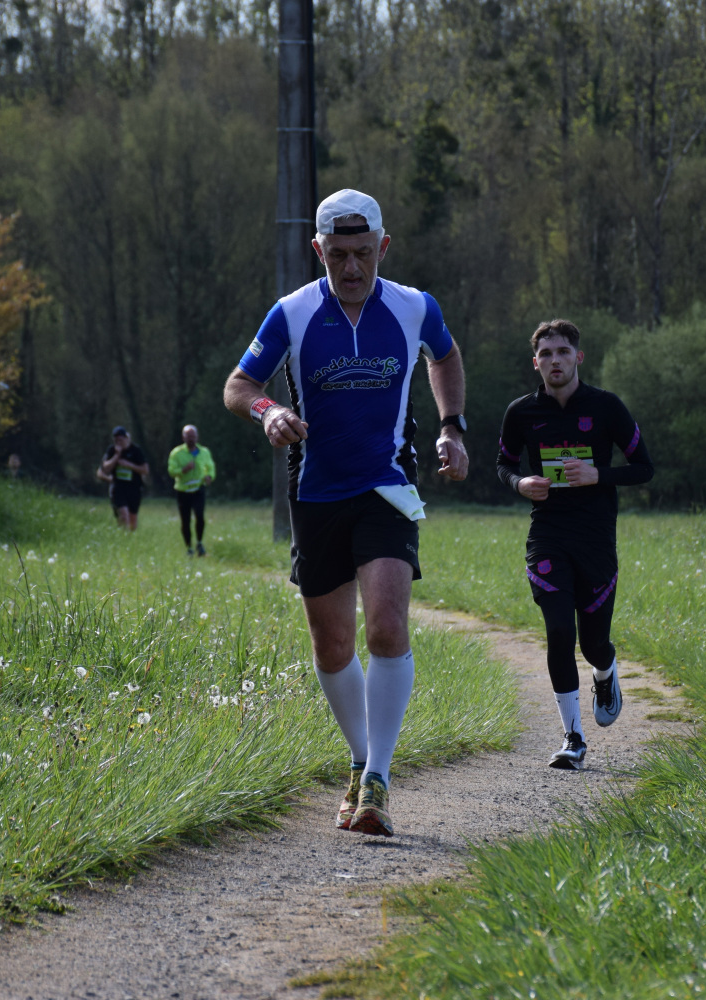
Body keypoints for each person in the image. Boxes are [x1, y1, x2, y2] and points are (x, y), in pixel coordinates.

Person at [223, 188, 469, 837]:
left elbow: (445, 354)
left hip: (387, 488)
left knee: (386, 626)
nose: (352, 267)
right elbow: (239, 385)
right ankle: (360, 761)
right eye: (338, 255)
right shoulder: (292, 312)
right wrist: (268, 412)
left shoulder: (415, 307)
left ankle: (379, 781)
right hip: (317, 494)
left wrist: (451, 425)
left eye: (363, 253)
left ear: (383, 246)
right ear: (318, 250)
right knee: (333, 645)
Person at [496, 319, 653, 769]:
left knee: (593, 643)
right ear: (536, 363)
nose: (555, 361)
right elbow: (503, 464)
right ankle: (573, 737)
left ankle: (606, 671)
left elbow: (644, 467)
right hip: (547, 535)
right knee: (560, 631)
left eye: (563, 352)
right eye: (546, 354)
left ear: (578, 357)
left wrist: (598, 475)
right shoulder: (521, 412)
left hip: (596, 538)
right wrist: (520, 482)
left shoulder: (606, 407)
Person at [167, 424, 216, 556]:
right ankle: (189, 547)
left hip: (198, 489)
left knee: (200, 516)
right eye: (188, 436)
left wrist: (209, 476)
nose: (191, 439)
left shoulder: (204, 452)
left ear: (197, 437)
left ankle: (199, 543)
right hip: (183, 491)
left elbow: (210, 467)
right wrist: (184, 470)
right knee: (185, 520)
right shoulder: (176, 453)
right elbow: (171, 471)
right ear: (183, 437)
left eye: (193, 436)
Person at [97, 426, 150, 531]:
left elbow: (145, 470)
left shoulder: (136, 451)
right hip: (118, 488)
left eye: (120, 440)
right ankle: (122, 536)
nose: (118, 442)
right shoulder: (111, 450)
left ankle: (130, 539)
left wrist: (129, 465)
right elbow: (104, 468)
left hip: (134, 488)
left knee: (132, 522)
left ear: (126, 438)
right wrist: (116, 456)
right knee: (123, 516)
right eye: (116, 440)